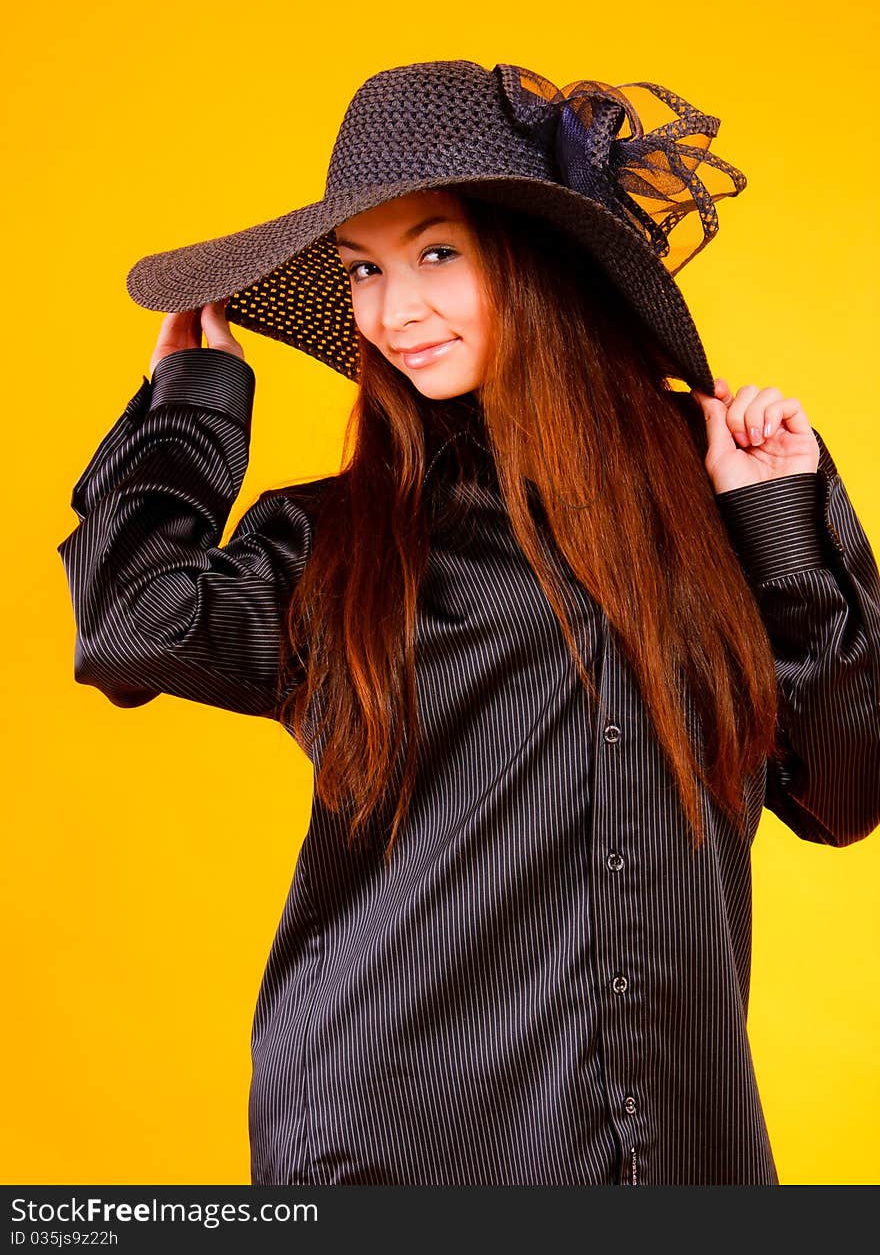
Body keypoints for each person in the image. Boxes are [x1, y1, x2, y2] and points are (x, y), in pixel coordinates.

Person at [57, 59, 880, 1186]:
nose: (395, 314)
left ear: (532, 257)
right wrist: (191, 413)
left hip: (685, 1158)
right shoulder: (341, 543)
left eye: (436, 252)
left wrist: (778, 520)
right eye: (363, 272)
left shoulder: (726, 493)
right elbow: (124, 625)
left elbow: (844, 792)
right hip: (393, 1155)